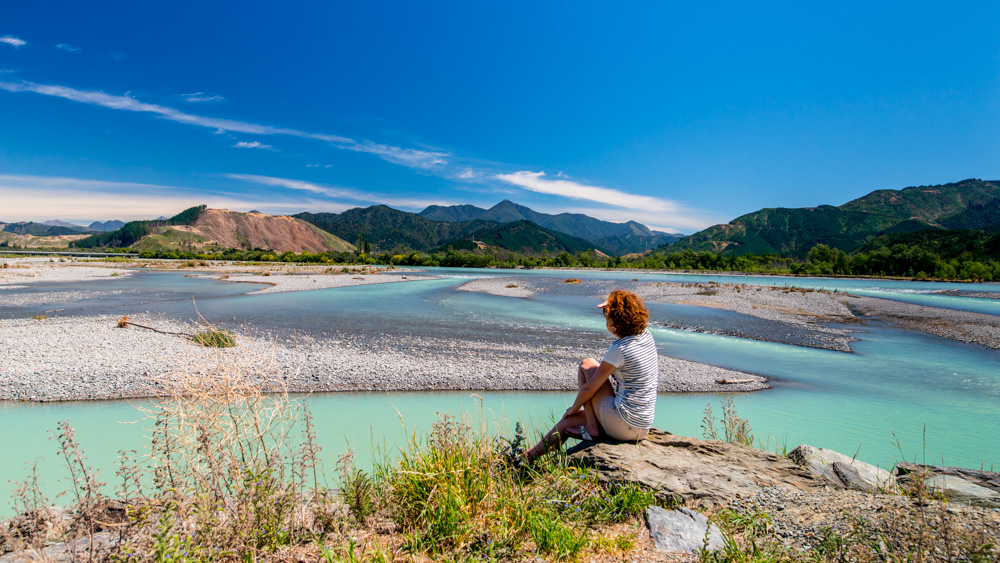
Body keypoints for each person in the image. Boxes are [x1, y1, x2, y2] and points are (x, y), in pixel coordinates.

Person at [523, 289, 658, 462]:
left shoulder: (620, 348)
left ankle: (591, 428)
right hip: (642, 426)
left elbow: (590, 389)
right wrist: (615, 301)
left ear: (616, 320)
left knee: (587, 364)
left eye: (607, 314)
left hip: (624, 425)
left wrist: (573, 409)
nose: (605, 318)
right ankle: (526, 458)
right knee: (567, 423)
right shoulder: (645, 336)